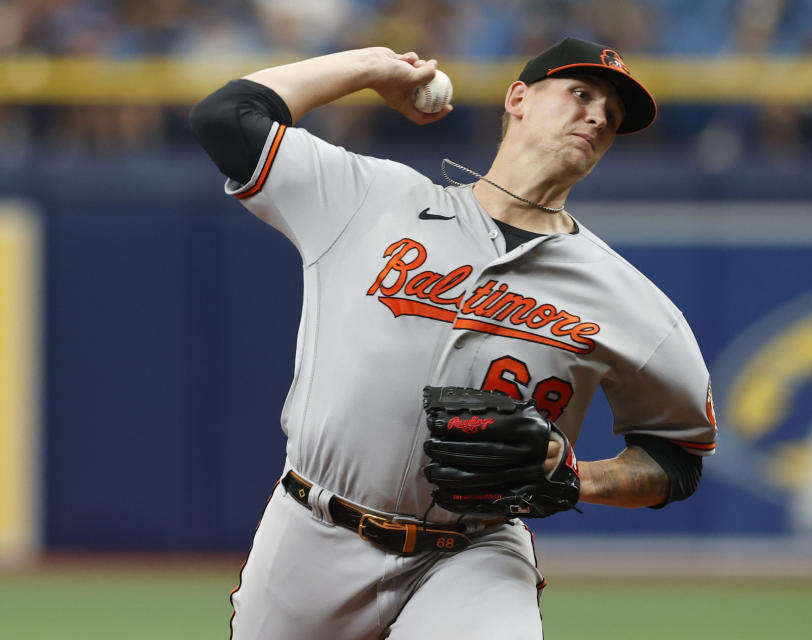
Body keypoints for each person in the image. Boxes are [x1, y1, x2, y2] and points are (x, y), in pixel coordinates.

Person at [190, 36, 717, 640]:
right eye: (581, 94)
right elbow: (225, 117)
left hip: (475, 552)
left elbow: (677, 458)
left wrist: (577, 476)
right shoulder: (370, 198)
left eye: (613, 115)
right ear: (517, 98)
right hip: (313, 531)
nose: (598, 116)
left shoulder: (630, 300)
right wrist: (371, 68)